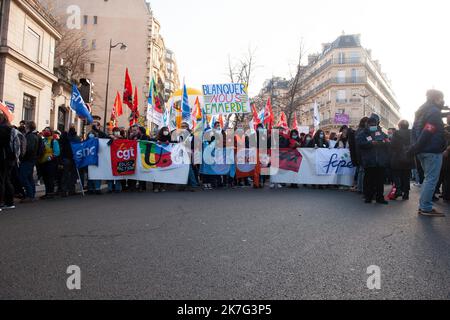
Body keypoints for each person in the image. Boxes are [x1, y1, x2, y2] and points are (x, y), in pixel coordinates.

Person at [408, 90, 447, 217]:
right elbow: (428, 130)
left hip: (423, 151)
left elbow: (414, 131)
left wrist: (415, 147)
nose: (443, 101)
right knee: (431, 179)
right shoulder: (434, 112)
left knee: (427, 178)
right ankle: (425, 207)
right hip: (431, 150)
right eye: (442, 98)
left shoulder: (421, 111)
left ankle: (424, 206)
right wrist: (416, 147)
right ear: (436, 99)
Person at [356, 114, 390, 205]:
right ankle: (368, 197)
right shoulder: (362, 133)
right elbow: (359, 143)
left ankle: (380, 198)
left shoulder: (381, 132)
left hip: (380, 161)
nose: (372, 126)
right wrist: (371, 144)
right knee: (369, 180)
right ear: (367, 124)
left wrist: (384, 142)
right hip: (369, 161)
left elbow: (388, 142)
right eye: (371, 124)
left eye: (374, 124)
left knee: (380, 181)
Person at [390, 120, 414, 200]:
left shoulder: (396, 133)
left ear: (399, 125)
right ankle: (406, 194)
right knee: (406, 176)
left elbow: (392, 145)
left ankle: (398, 190)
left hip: (397, 158)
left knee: (397, 175)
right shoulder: (411, 133)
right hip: (408, 157)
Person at [0, 112, 19, 211]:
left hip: (3, 158)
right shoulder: (12, 130)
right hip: (10, 158)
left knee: (1, 180)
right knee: (7, 180)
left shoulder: (2, 129)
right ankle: (9, 202)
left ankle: (1, 203)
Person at [19, 121, 40, 203]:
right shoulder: (32, 136)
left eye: (26, 125)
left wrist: (22, 155)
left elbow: (29, 149)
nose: (24, 126)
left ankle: (30, 195)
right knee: (29, 177)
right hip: (30, 159)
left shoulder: (30, 136)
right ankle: (32, 194)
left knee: (23, 177)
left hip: (28, 159)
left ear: (28, 126)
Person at [38, 127, 60, 199]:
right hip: (42, 162)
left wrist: (50, 157)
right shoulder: (43, 140)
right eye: (45, 130)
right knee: (45, 178)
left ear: (51, 132)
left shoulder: (54, 141)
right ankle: (47, 193)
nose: (46, 132)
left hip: (50, 162)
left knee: (50, 178)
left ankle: (50, 193)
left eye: (48, 130)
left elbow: (57, 152)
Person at [59, 125, 81, 197]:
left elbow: (61, 146)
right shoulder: (77, 138)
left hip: (66, 158)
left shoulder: (65, 137)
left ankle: (64, 191)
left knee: (65, 175)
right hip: (74, 158)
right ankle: (71, 190)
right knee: (73, 175)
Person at [86, 122, 107, 195]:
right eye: (93, 125)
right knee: (91, 172)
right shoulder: (89, 133)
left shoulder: (101, 133)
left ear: (99, 126)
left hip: (100, 155)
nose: (94, 126)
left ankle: (97, 188)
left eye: (95, 125)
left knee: (98, 172)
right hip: (91, 155)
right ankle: (90, 188)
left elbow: (107, 139)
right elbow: (87, 142)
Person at [354, 117, 369, 194]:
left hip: (359, 152)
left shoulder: (358, 131)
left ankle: (360, 188)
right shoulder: (362, 131)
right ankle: (361, 188)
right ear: (364, 122)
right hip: (362, 153)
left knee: (360, 170)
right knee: (362, 171)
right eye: (367, 122)